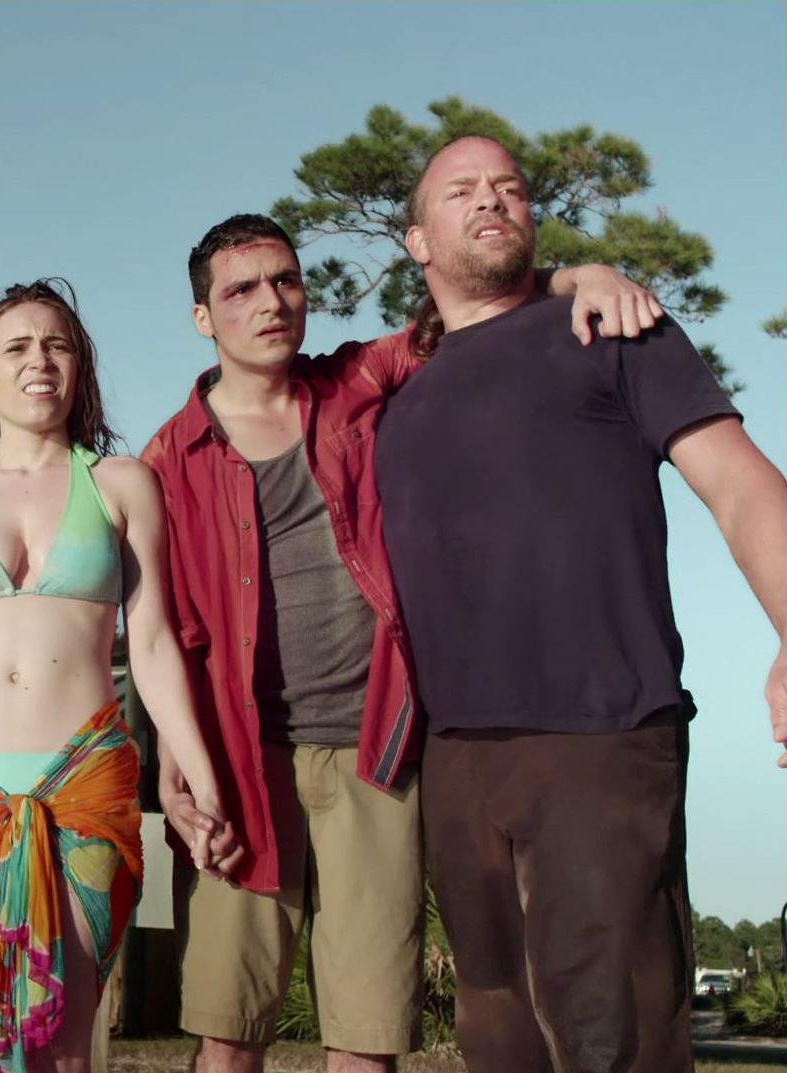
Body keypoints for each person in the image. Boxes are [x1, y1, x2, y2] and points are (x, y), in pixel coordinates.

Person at [145, 213, 665, 1073]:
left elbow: (472, 310)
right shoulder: (168, 458)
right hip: (240, 761)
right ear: (204, 317)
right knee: (227, 1030)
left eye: (285, 280)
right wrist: (175, 758)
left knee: (369, 1030)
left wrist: (580, 277)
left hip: (374, 752)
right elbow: (168, 629)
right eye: (241, 290)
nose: (270, 302)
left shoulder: (359, 380)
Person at [376, 135, 787, 1073]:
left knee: (613, 1037)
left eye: (510, 187)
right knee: (498, 1039)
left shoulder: (613, 331)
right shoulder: (396, 391)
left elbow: (739, 483)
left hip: (600, 734)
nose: (492, 199)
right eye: (461, 191)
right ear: (418, 242)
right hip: (455, 755)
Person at [0, 280, 228, 1073]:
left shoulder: (123, 483)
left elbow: (154, 643)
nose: (40, 359)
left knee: (64, 1043)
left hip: (84, 781)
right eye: (18, 346)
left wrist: (200, 772)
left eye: (58, 344)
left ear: (79, 368)